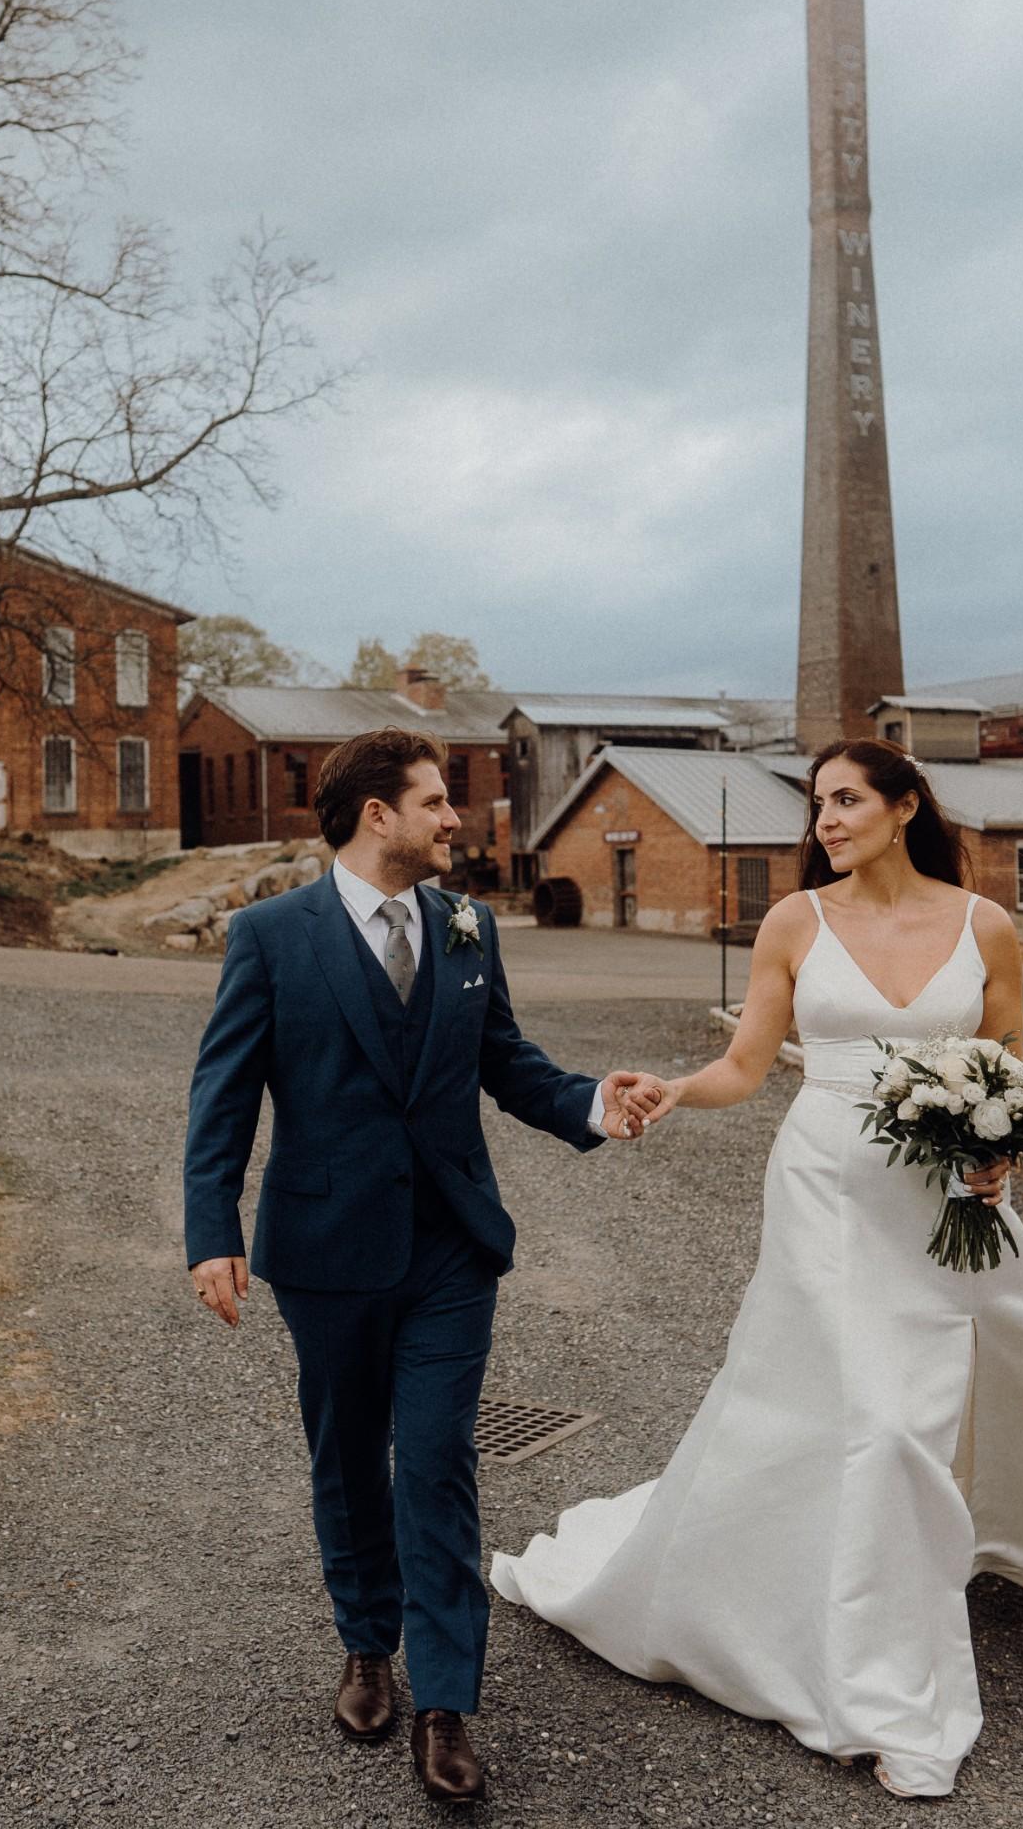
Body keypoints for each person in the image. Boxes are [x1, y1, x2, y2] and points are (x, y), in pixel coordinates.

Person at [492, 738, 1023, 1799]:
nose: (827, 818)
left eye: (849, 798)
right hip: (827, 1192)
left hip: (950, 1199)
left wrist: (998, 1149)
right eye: (819, 802)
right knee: (880, 1414)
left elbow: (1011, 1063)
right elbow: (747, 1063)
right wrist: (678, 1090)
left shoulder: (984, 924)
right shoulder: (795, 921)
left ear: (905, 804)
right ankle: (878, 1683)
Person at [182, 726, 666, 1806]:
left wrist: (596, 1098)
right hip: (325, 1250)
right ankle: (367, 1643)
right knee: (349, 1454)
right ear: (377, 815)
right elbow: (225, 1094)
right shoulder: (270, 935)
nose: (458, 818)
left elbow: (507, 1062)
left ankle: (446, 1700)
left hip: (452, 1245)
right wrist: (211, 1227)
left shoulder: (469, 925)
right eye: (438, 801)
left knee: (439, 1457)